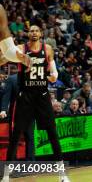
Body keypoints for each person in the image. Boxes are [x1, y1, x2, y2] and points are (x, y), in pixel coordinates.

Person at [1, 25, 70, 182]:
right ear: (28, 33)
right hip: (25, 96)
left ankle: (62, 174)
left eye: (36, 30)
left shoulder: (48, 49)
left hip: (42, 96)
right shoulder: (20, 48)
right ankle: (6, 175)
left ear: (40, 34)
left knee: (53, 133)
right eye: (31, 30)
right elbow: (5, 57)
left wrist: (53, 76)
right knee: (16, 134)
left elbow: (54, 73)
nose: (34, 32)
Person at [0, 73, 34, 160]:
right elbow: (6, 96)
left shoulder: (33, 78)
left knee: (29, 137)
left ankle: (30, 162)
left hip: (29, 113)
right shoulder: (11, 79)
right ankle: (12, 162)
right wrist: (3, 109)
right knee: (14, 139)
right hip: (16, 113)